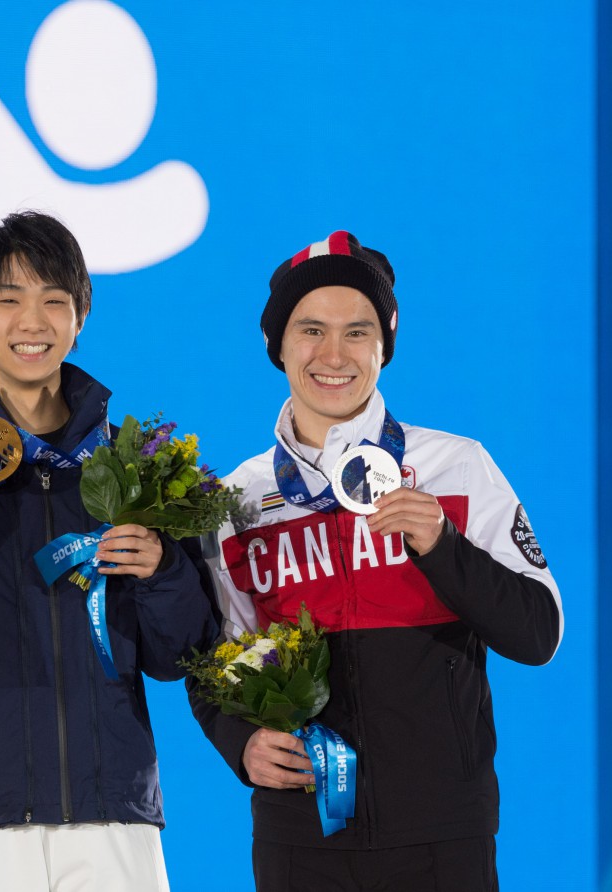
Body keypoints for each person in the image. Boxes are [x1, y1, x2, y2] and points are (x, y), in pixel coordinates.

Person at [190, 230, 563, 891]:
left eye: (357, 332)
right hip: (299, 838)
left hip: (441, 836)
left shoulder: (457, 468)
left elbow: (538, 634)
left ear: (384, 345)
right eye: (310, 330)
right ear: (277, 345)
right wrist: (237, 741)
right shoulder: (236, 503)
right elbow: (211, 660)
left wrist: (443, 549)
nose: (334, 354)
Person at [0, 211, 215, 892]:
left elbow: (178, 656)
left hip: (114, 817)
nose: (33, 321)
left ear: (80, 316)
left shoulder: (139, 475)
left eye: (55, 300)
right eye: (8, 299)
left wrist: (164, 569)